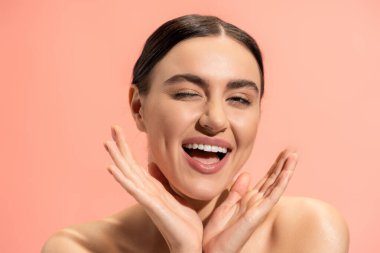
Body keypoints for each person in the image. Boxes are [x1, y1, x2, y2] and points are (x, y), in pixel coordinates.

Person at [42, 14, 349, 253]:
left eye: (239, 99)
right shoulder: (79, 248)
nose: (215, 119)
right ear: (138, 108)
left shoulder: (309, 230)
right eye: (188, 93)